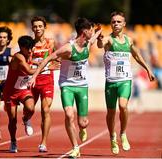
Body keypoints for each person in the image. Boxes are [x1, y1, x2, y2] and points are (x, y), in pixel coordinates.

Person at [29, 17, 102, 158]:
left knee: (84, 123)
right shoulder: (68, 48)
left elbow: (94, 39)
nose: (92, 33)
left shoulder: (88, 43)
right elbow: (47, 59)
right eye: (91, 31)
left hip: (82, 86)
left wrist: (99, 32)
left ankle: (82, 128)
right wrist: (34, 76)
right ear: (84, 31)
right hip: (67, 85)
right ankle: (75, 147)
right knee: (69, 115)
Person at [97, 11, 155, 154]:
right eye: (113, 22)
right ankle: (112, 137)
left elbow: (136, 55)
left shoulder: (128, 40)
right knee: (111, 112)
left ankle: (123, 133)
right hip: (111, 82)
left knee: (123, 106)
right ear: (111, 24)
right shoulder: (109, 40)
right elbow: (100, 45)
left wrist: (148, 69)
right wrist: (99, 39)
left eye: (118, 21)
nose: (116, 24)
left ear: (124, 24)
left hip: (125, 80)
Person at [3, 35, 37, 153]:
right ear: (21, 47)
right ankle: (13, 141)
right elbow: (29, 71)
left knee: (31, 108)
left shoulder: (31, 54)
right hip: (10, 92)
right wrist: (45, 67)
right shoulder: (18, 57)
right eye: (26, 48)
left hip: (23, 89)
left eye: (30, 48)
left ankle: (26, 118)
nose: (29, 50)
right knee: (12, 119)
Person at [29, 16, 57, 152]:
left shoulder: (51, 42)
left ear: (45, 27)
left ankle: (43, 142)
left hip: (47, 81)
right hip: (33, 80)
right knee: (29, 109)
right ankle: (26, 119)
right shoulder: (29, 44)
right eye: (35, 26)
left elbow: (57, 56)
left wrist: (57, 64)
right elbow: (26, 61)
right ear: (32, 28)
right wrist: (36, 64)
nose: (37, 28)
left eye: (40, 26)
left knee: (45, 110)